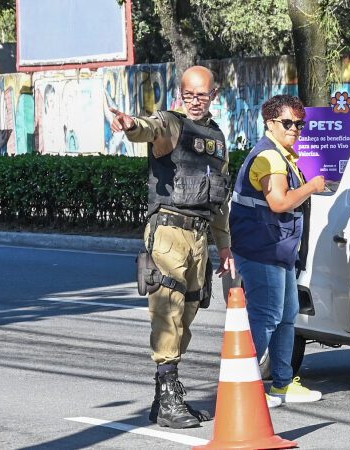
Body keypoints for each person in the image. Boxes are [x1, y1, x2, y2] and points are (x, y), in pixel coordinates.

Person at [109, 66, 235, 429]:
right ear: (181, 94)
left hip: (198, 235)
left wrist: (224, 247)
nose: (195, 102)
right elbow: (150, 128)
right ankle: (168, 399)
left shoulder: (216, 137)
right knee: (168, 310)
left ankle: (163, 397)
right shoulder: (172, 124)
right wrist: (131, 124)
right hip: (168, 232)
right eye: (189, 95)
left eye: (202, 95)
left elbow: (220, 199)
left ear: (214, 95)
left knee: (188, 314)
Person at [229, 94, 325, 406]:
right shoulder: (269, 157)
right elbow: (279, 202)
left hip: (277, 249)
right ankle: (245, 387)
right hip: (261, 249)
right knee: (266, 316)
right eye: (288, 123)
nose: (295, 128)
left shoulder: (283, 155)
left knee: (286, 315)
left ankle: (282, 382)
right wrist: (312, 187)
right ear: (270, 123)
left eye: (300, 123)